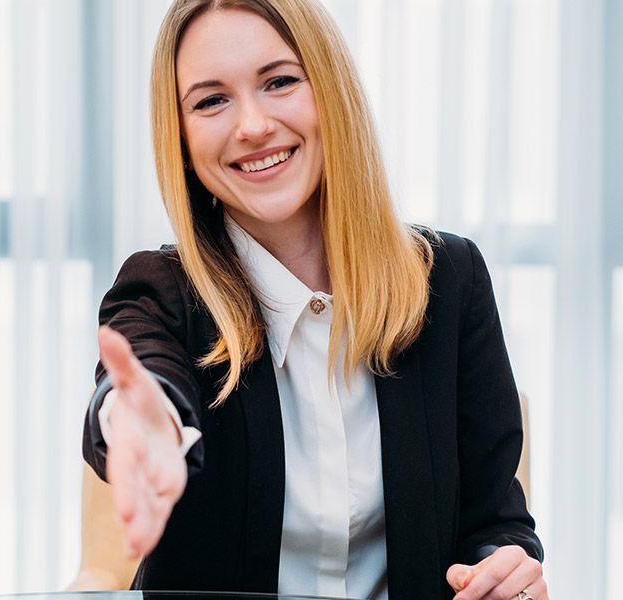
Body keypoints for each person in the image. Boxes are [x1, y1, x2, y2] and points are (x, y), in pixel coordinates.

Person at [81, 0, 546, 598]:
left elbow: (494, 523)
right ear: (182, 136)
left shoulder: (449, 280)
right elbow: (137, 383)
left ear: (330, 89)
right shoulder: (162, 290)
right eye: (210, 100)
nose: (252, 125)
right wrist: (146, 426)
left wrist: (503, 572)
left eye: (279, 81)